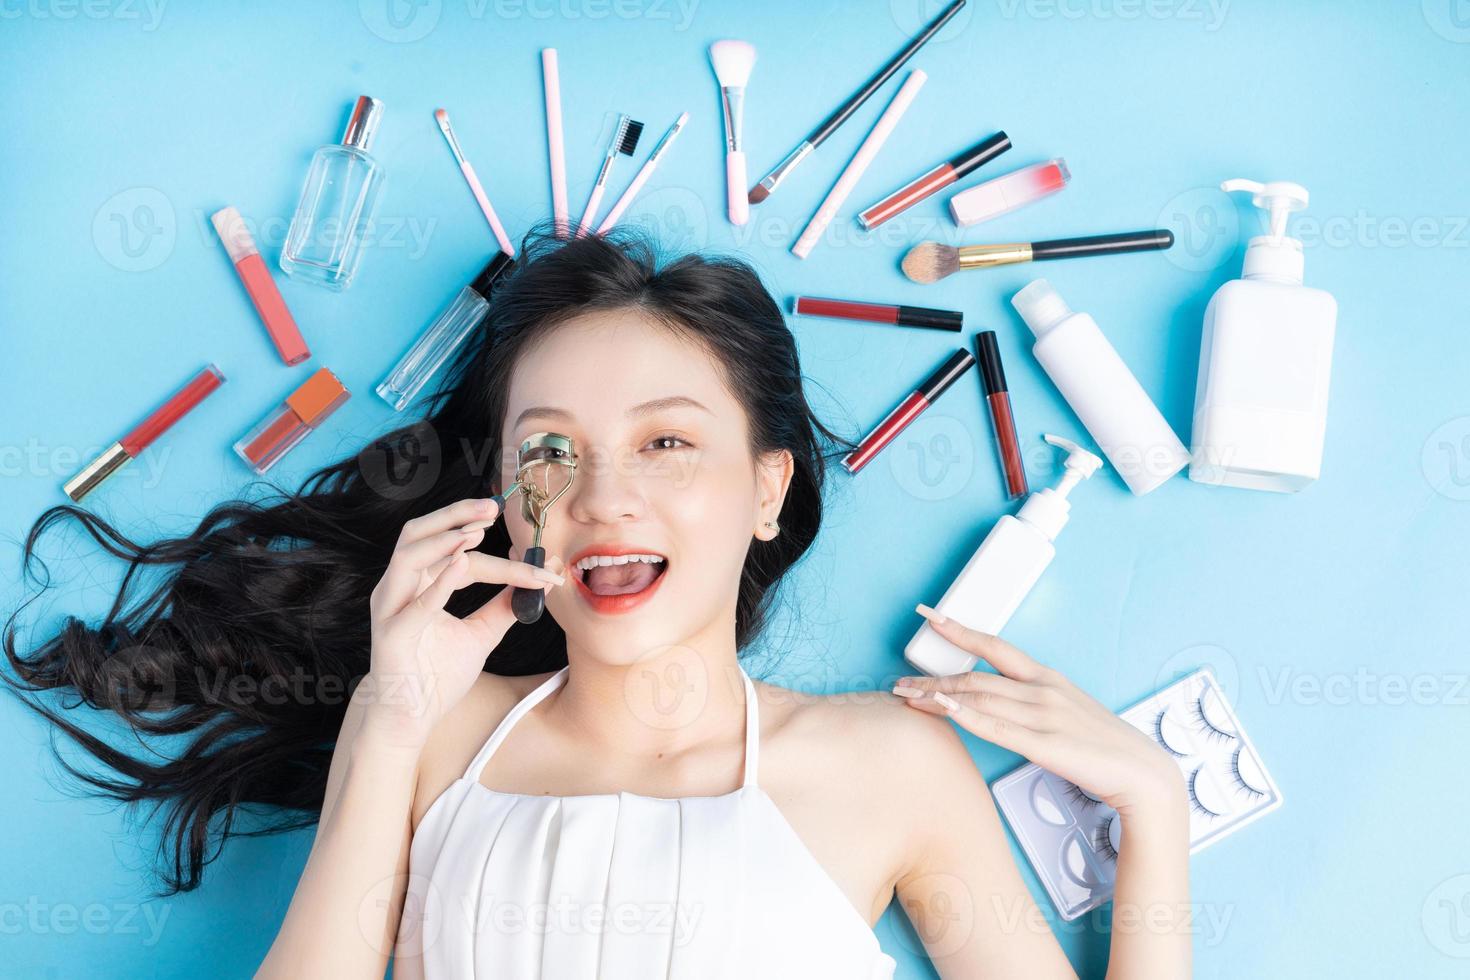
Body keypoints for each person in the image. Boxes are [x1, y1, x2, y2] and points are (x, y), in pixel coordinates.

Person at [5, 228, 1190, 978]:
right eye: (551, 452)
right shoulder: (438, 735)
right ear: (511, 507)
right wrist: (385, 714)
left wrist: (1155, 808)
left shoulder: (889, 764)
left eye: (667, 440)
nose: (603, 497)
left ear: (767, 488)